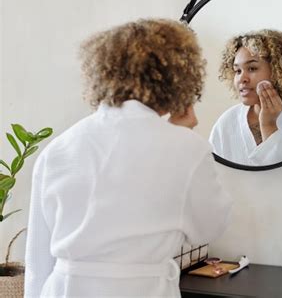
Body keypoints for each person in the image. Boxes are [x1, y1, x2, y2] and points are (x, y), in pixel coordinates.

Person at [24, 19, 232, 297]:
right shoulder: (187, 148)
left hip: (64, 288)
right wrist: (181, 137)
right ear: (177, 77)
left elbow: (38, 257)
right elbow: (210, 227)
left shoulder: (59, 148)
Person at [209, 29, 282, 166]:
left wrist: (268, 125)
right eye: (237, 71)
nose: (242, 78)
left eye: (252, 68)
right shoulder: (227, 122)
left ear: (279, 71)